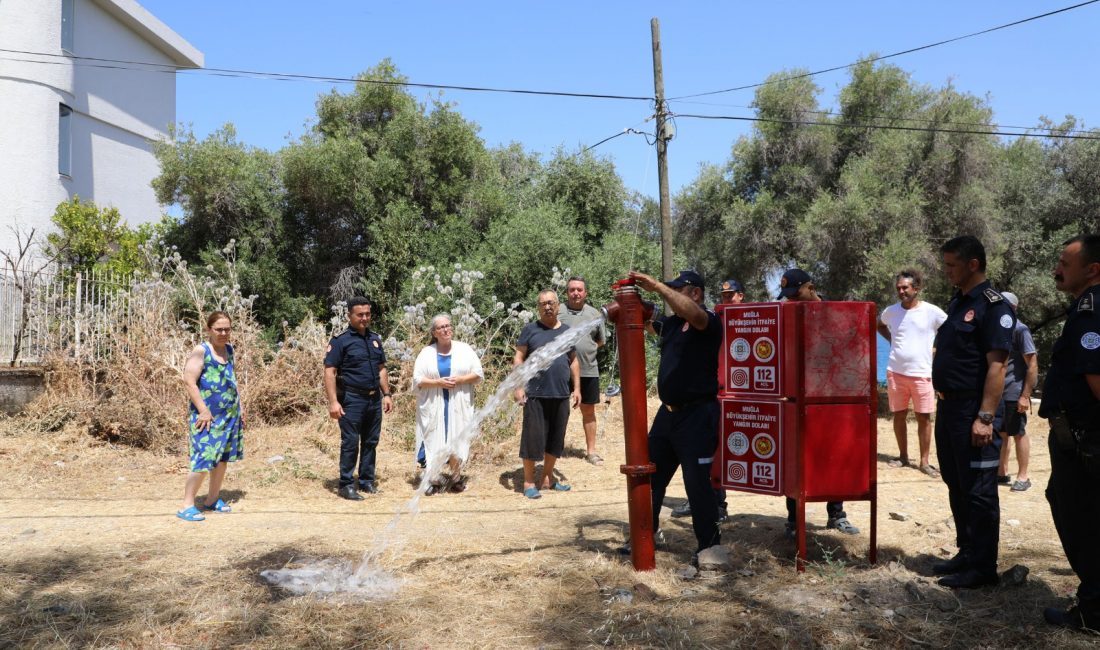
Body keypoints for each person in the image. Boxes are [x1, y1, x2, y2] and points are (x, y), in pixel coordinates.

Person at [930, 236, 1014, 589]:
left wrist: (985, 418)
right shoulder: (958, 302)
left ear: (973, 264)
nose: (946, 271)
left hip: (972, 409)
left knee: (979, 490)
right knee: (957, 482)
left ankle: (982, 568)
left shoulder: (993, 306)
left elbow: (997, 367)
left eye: (951, 265)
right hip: (948, 407)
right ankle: (967, 553)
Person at [624, 269, 723, 559]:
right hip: (667, 417)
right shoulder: (672, 324)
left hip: (697, 416)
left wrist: (657, 287)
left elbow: (694, 316)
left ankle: (709, 549)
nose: (672, 293)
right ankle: (644, 538)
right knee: (650, 477)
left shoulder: (708, 320)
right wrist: (632, 297)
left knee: (698, 486)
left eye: (678, 289)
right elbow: (648, 321)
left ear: (695, 293)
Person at [1039, 234, 1100, 630]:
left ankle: (1094, 611)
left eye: (1065, 261)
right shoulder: (1084, 309)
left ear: (1092, 269)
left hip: (1085, 439)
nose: (1057, 268)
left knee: (1084, 520)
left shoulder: (1091, 314)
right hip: (1077, 437)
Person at [778, 269, 860, 538]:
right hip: (795, 399)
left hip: (831, 400)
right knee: (795, 459)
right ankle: (794, 519)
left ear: (811, 287)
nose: (792, 300)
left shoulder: (837, 313)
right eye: (788, 296)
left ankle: (836, 514)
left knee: (834, 454)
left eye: (796, 293)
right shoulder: (787, 314)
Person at [672, 278, 743, 521]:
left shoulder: (750, 319)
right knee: (704, 453)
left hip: (738, 393)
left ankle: (718, 506)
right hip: (715, 391)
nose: (727, 299)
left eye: (731, 295)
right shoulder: (714, 317)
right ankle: (701, 501)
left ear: (741, 296)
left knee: (721, 453)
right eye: (724, 296)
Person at [877, 269, 947, 477]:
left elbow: (950, 329)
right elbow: (879, 324)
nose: (901, 291)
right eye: (898, 288)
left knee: (923, 417)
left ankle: (925, 461)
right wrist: (890, 339)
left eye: (905, 287)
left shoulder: (932, 312)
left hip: (922, 373)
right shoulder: (891, 311)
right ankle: (903, 456)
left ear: (916, 288)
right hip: (895, 371)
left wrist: (937, 349)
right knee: (898, 415)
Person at [324, 296, 394, 500]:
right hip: (351, 400)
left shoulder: (374, 339)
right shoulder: (340, 341)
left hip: (373, 400)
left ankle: (366, 481)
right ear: (349, 316)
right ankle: (346, 484)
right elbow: (330, 372)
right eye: (360, 315)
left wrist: (387, 394)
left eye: (367, 314)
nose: (364, 318)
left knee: (371, 441)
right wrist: (333, 401)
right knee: (350, 442)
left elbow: (381, 369)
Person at [514, 289, 581, 499]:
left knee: (555, 440)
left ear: (559, 306)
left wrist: (577, 388)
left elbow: (574, 361)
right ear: (538, 307)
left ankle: (547, 477)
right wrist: (518, 386)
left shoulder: (567, 331)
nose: (547, 306)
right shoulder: (530, 330)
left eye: (551, 302)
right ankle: (528, 482)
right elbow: (518, 358)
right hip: (535, 394)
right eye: (543, 303)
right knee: (532, 440)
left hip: (561, 394)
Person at [177, 311, 244, 521]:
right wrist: (204, 410)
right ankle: (187, 505)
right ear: (209, 329)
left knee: (222, 459)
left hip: (229, 415)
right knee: (204, 458)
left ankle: (212, 500)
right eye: (219, 329)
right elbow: (189, 381)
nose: (224, 333)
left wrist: (240, 407)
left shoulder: (229, 350)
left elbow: (231, 380)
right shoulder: (201, 351)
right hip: (205, 418)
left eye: (227, 329)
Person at [413, 314, 484, 495]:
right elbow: (418, 380)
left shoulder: (464, 349)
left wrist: (459, 380)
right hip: (435, 404)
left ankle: (456, 479)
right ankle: (434, 479)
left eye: (448, 326)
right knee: (434, 440)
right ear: (434, 332)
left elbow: (478, 374)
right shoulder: (426, 353)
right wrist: (438, 383)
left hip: (457, 403)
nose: (446, 329)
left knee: (456, 439)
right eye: (441, 327)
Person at [557, 276, 608, 466]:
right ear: (566, 293)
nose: (576, 293)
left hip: (588, 370)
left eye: (579, 289)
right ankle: (555, 449)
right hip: (561, 370)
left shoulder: (595, 314)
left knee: (588, 411)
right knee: (558, 411)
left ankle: (591, 452)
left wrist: (585, 350)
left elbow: (601, 340)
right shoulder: (557, 311)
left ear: (585, 293)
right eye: (572, 290)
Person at [995, 291, 1037, 492]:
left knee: (1018, 433)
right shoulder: (997, 329)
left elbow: (1032, 364)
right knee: (1003, 433)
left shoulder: (1021, 330)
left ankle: (1023, 476)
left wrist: (1025, 396)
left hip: (1014, 391)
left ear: (1012, 307)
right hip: (997, 393)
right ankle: (1001, 473)